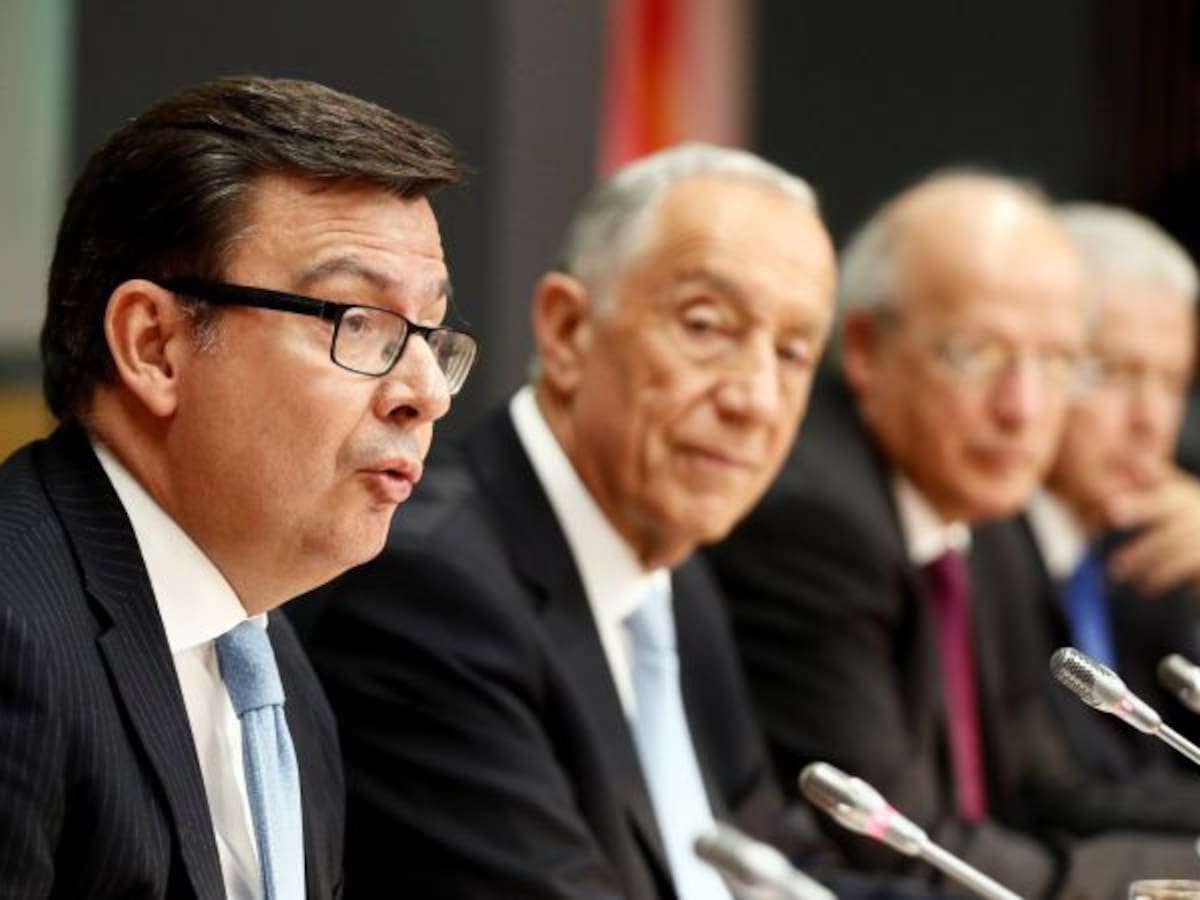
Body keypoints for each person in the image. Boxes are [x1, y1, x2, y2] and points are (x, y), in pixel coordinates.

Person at [294, 144, 846, 899]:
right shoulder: (433, 589)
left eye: (792, 352)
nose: (754, 399)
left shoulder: (674, 580)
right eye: (706, 326)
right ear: (566, 330)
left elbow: (777, 871)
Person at [0, 75, 473, 899]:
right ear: (154, 346)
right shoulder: (17, 635)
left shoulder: (267, 656)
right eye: (357, 321)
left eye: (428, 332)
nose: (425, 392)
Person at [705, 171, 1200, 898]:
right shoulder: (818, 522)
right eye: (977, 354)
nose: (1021, 409)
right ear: (866, 348)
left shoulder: (984, 511)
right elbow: (905, 848)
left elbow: (1043, 789)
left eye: (1057, 362)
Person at [1025, 203, 1200, 777]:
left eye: (1172, 382)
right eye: (1116, 373)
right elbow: (1057, 795)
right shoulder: (984, 540)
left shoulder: (1159, 536)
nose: (1151, 420)